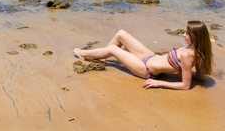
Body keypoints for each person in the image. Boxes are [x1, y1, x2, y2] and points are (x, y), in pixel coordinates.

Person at [73, 20, 213, 90]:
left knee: (113, 50)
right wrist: (185, 71)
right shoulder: (196, 50)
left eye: (187, 33)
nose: (183, 35)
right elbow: (200, 77)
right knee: (121, 34)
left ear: (196, 36)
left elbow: (185, 85)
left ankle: (83, 53)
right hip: (151, 57)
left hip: (145, 69)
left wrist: (158, 83)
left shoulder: (189, 55)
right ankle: (103, 56)